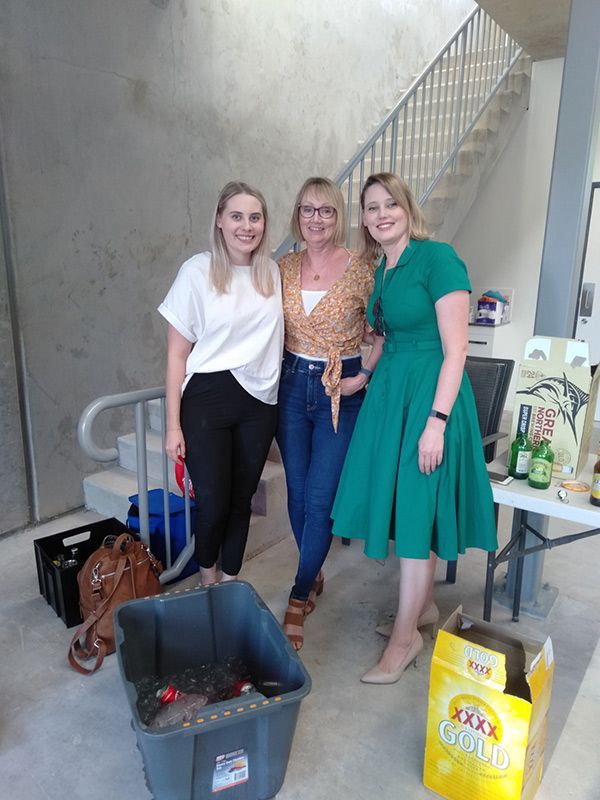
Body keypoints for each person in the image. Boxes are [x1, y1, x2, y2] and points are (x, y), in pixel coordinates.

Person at [331, 173, 497, 683]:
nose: (381, 214)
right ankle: (420, 610)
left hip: (430, 396)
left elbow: (457, 350)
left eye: (390, 205)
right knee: (409, 509)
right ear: (364, 218)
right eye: (371, 207)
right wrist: (362, 376)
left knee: (417, 508)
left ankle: (404, 642)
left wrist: (437, 423)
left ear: (407, 208)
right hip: (391, 395)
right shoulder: (384, 267)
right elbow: (385, 338)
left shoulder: (438, 258)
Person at [277, 177, 383, 650]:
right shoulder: (281, 268)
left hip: (342, 389)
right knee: (296, 496)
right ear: (297, 217)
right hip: (291, 385)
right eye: (307, 210)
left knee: (320, 499)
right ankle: (312, 570)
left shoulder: (363, 268)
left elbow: (383, 332)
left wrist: (364, 376)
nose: (315, 219)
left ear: (338, 217)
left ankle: (298, 596)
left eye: (325, 210)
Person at [159, 181, 284, 585]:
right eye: (236, 216)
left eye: (255, 217)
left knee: (242, 501)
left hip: (259, 401)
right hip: (207, 398)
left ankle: (230, 581)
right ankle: (207, 578)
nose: (246, 226)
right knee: (212, 503)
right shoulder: (197, 271)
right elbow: (177, 355)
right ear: (219, 220)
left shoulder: (271, 272)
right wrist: (173, 425)